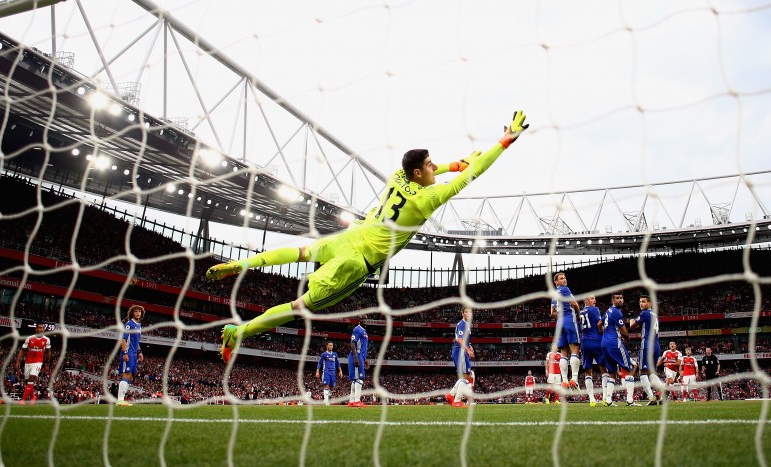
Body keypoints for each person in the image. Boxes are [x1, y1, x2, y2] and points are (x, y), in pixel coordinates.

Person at [207, 111, 529, 362]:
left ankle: (243, 263)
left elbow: (441, 168)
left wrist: (454, 164)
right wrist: (504, 141)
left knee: (301, 252)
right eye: (430, 165)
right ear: (419, 173)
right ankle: (240, 332)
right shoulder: (425, 200)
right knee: (299, 306)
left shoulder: (398, 176)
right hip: (355, 262)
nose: (435, 167)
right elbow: (475, 174)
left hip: (351, 235)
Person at [601, 293, 636, 406]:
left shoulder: (608, 311)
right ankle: (630, 400)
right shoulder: (617, 312)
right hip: (615, 344)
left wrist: (604, 335)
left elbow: (599, 324)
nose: (620, 300)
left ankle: (608, 400)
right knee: (629, 369)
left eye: (621, 298)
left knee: (611, 372)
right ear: (612, 300)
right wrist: (628, 338)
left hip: (604, 344)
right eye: (617, 298)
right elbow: (624, 331)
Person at [550, 271, 582, 389]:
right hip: (569, 319)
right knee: (574, 349)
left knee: (564, 352)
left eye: (565, 278)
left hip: (560, 323)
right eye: (562, 278)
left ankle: (564, 380)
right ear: (556, 282)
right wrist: (578, 315)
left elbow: (552, 313)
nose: (564, 280)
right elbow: (575, 304)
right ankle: (574, 378)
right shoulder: (565, 289)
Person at [633, 294, 664, 405]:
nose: (641, 303)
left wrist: (632, 321)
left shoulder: (644, 313)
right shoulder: (655, 315)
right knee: (652, 372)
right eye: (640, 301)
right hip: (656, 345)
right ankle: (663, 391)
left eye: (644, 301)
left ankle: (651, 397)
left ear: (650, 303)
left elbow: (633, 326)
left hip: (646, 344)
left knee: (642, 372)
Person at [579, 295, 608, 406]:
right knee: (603, 368)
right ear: (586, 300)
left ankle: (591, 399)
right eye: (592, 298)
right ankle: (605, 398)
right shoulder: (594, 309)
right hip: (596, 340)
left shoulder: (580, 312)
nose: (594, 300)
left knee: (588, 371)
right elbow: (598, 324)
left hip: (585, 341)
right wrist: (603, 333)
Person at [15, 322, 50, 405]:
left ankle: (23, 400)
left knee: (31, 378)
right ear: (36, 329)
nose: (41, 329)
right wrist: (18, 361)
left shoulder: (46, 339)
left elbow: (48, 352)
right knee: (27, 381)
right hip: (28, 362)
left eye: (42, 328)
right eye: (39, 328)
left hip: (38, 362)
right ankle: (33, 396)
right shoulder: (29, 338)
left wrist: (47, 364)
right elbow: (22, 350)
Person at [115, 305, 144, 407]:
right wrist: (125, 353)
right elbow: (123, 339)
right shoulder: (129, 324)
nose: (138, 313)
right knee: (126, 374)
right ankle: (120, 400)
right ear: (132, 313)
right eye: (136, 311)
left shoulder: (139, 325)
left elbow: (137, 341)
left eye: (139, 311)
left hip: (134, 353)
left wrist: (139, 352)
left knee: (130, 376)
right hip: (128, 352)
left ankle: (122, 399)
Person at [446, 307, 474, 408]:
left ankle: (451, 395)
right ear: (463, 314)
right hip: (460, 351)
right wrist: (467, 351)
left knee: (466, 376)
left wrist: (470, 347)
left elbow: (466, 340)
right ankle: (457, 400)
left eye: (470, 312)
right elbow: (459, 340)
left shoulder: (467, 325)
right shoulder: (462, 324)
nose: (469, 314)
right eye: (466, 312)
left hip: (462, 351)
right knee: (466, 376)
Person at [347, 318, 368, 407]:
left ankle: (351, 401)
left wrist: (364, 359)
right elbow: (352, 343)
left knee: (355, 380)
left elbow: (362, 346)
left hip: (361, 356)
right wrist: (356, 358)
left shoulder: (363, 331)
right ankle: (357, 401)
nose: (366, 320)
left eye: (367, 319)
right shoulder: (357, 329)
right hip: (356, 356)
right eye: (363, 319)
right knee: (360, 379)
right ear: (360, 320)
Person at [315, 340, 342, 405]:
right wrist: (317, 372)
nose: (331, 346)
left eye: (332, 345)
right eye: (329, 345)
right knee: (326, 386)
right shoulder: (324, 354)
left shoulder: (335, 354)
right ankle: (326, 401)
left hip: (333, 372)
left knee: (332, 388)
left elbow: (338, 363)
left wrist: (340, 371)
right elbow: (319, 363)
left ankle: (325, 398)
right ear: (327, 346)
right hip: (326, 372)